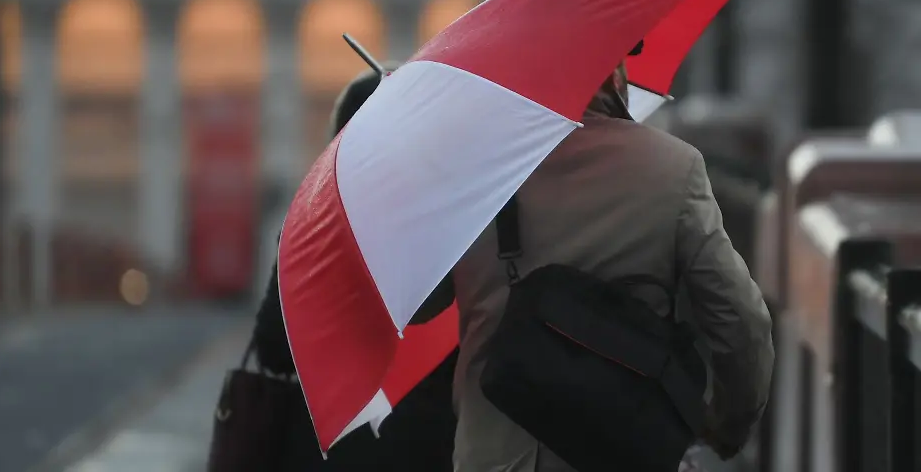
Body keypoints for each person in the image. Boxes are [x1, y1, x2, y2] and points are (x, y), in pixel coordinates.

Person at [449, 60, 774, 471]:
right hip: (627, 449)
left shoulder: (471, 172)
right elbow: (741, 321)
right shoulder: (672, 167)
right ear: (615, 80)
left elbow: (422, 301)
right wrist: (726, 427)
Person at [251, 64, 457, 471]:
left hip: (327, 448)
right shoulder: (453, 229)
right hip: (428, 447)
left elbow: (275, 349)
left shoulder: (310, 227)